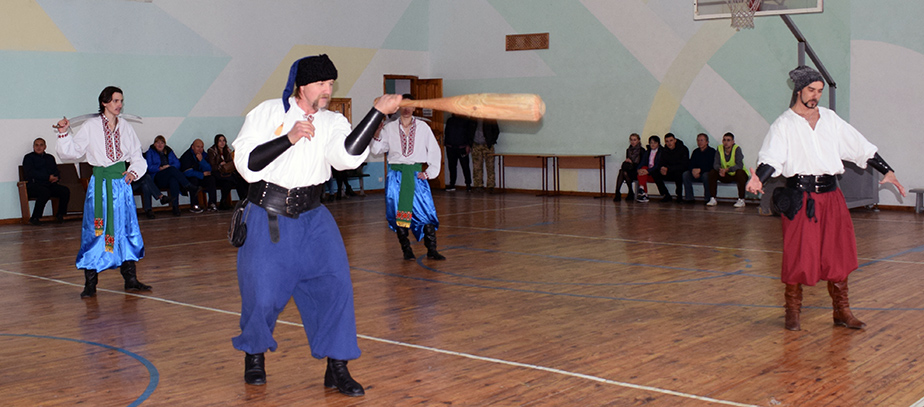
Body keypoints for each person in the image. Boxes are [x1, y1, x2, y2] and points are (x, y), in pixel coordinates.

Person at [230, 54, 401, 396]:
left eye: (331, 84)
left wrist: (376, 114)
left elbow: (347, 157)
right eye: (321, 83)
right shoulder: (267, 113)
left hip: (314, 217)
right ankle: (254, 354)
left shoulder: (332, 120)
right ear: (302, 85)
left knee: (336, 288)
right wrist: (288, 138)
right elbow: (247, 165)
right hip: (268, 215)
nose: (328, 90)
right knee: (262, 294)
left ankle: (337, 367)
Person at [746, 65, 906, 331]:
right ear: (799, 90)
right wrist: (758, 178)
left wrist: (886, 170)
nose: (816, 96)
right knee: (798, 254)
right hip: (800, 199)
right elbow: (772, 158)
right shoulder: (783, 124)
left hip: (831, 197)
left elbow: (860, 146)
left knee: (837, 253)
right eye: (811, 90)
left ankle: (842, 311)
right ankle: (792, 311)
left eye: (819, 91)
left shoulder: (830, 119)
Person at [54, 86, 152, 298]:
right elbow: (72, 152)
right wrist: (63, 132)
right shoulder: (91, 126)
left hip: (122, 186)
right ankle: (90, 283)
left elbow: (136, 154)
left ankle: (131, 279)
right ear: (104, 102)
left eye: (121, 101)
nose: (119, 105)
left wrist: (133, 172)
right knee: (95, 231)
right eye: (115, 101)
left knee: (126, 228)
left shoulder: (125, 126)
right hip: (100, 186)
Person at [371, 94, 446, 261]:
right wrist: (376, 133)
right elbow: (376, 150)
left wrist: (430, 172)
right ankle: (406, 249)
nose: (406, 109)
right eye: (403, 105)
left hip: (416, 176)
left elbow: (434, 150)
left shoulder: (423, 127)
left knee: (426, 212)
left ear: (414, 107)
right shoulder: (389, 128)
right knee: (400, 215)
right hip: (396, 177)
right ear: (398, 107)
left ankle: (432, 250)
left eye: (409, 105)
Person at [146, 135, 198, 216]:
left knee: (173, 180)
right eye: (158, 143)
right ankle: (187, 185)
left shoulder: (169, 151)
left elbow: (178, 163)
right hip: (156, 177)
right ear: (154, 144)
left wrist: (169, 167)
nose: (160, 145)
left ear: (164, 144)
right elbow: (149, 168)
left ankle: (175, 207)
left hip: (168, 175)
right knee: (172, 170)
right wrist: (160, 168)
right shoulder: (150, 152)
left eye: (162, 143)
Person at [23, 137, 70, 225]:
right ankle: (35, 217)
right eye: (36, 145)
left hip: (49, 185)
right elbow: (30, 173)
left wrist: (56, 177)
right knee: (44, 192)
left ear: (45, 147)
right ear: (33, 147)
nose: (39, 147)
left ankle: (60, 215)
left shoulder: (50, 158)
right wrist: (47, 177)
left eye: (41, 145)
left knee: (64, 191)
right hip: (34, 185)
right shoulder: (28, 158)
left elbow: (55, 170)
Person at [707, 132, 749, 208]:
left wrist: (728, 169)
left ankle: (741, 199)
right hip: (725, 174)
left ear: (733, 142)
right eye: (724, 140)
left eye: (728, 140)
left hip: (736, 174)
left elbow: (739, 165)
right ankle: (713, 198)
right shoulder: (719, 148)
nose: (726, 142)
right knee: (712, 172)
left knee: (740, 173)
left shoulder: (737, 149)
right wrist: (720, 170)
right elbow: (716, 164)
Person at [207, 133, 249, 209]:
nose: (222, 142)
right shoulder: (212, 151)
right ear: (216, 142)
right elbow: (212, 166)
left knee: (231, 182)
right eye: (220, 141)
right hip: (218, 174)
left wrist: (230, 155)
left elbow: (231, 164)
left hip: (227, 174)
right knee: (235, 179)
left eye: (223, 140)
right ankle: (243, 199)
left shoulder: (227, 150)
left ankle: (224, 202)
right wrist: (220, 165)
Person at [181, 139, 219, 212]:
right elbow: (187, 172)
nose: (200, 149)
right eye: (198, 147)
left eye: (202, 147)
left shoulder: (204, 155)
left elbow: (209, 169)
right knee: (193, 180)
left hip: (201, 177)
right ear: (192, 147)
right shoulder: (187, 156)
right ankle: (194, 205)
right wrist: (201, 174)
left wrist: (202, 161)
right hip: (190, 179)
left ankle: (212, 203)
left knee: (211, 179)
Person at [682, 133, 717, 204]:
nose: (699, 142)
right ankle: (689, 198)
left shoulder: (712, 151)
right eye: (698, 140)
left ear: (707, 142)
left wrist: (700, 170)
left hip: (704, 173)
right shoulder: (695, 152)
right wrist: (693, 170)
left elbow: (712, 166)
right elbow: (690, 164)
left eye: (702, 140)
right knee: (685, 174)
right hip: (695, 173)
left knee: (706, 176)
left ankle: (707, 198)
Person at [444, 113, 474, 192]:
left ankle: (468, 185)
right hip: (450, 147)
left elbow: (470, 134)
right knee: (452, 167)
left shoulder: (467, 120)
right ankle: (452, 184)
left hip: (462, 147)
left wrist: (468, 145)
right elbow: (446, 132)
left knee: (465, 167)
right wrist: (446, 144)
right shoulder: (450, 120)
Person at [656, 133, 689, 203]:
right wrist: (662, 168)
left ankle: (679, 196)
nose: (669, 143)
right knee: (655, 173)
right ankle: (666, 194)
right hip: (668, 172)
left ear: (675, 140)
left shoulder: (683, 149)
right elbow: (660, 162)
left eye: (671, 140)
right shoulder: (664, 150)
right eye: (667, 141)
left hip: (678, 171)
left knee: (678, 174)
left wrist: (668, 168)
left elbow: (684, 165)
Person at [470, 117, 500, 192]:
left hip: (487, 145)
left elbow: (496, 131)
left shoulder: (490, 118)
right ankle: (478, 185)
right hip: (476, 145)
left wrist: (491, 141)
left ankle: (491, 186)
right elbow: (468, 131)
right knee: (477, 167)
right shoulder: (472, 118)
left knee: (490, 166)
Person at [635, 135, 666, 203]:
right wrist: (638, 169)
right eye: (651, 143)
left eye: (655, 143)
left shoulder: (661, 152)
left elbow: (658, 165)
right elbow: (642, 162)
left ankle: (643, 193)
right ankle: (642, 191)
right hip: (647, 173)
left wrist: (648, 171)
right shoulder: (647, 152)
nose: (653, 144)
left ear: (658, 143)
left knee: (644, 171)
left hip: (656, 174)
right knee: (642, 169)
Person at [613, 133, 642, 202]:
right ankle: (619, 192)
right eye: (631, 140)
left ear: (638, 141)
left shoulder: (642, 150)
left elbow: (641, 164)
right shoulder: (628, 150)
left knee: (624, 172)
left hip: (637, 170)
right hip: (629, 169)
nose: (633, 142)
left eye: (634, 140)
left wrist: (631, 162)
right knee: (622, 172)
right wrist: (628, 162)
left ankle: (626, 192)